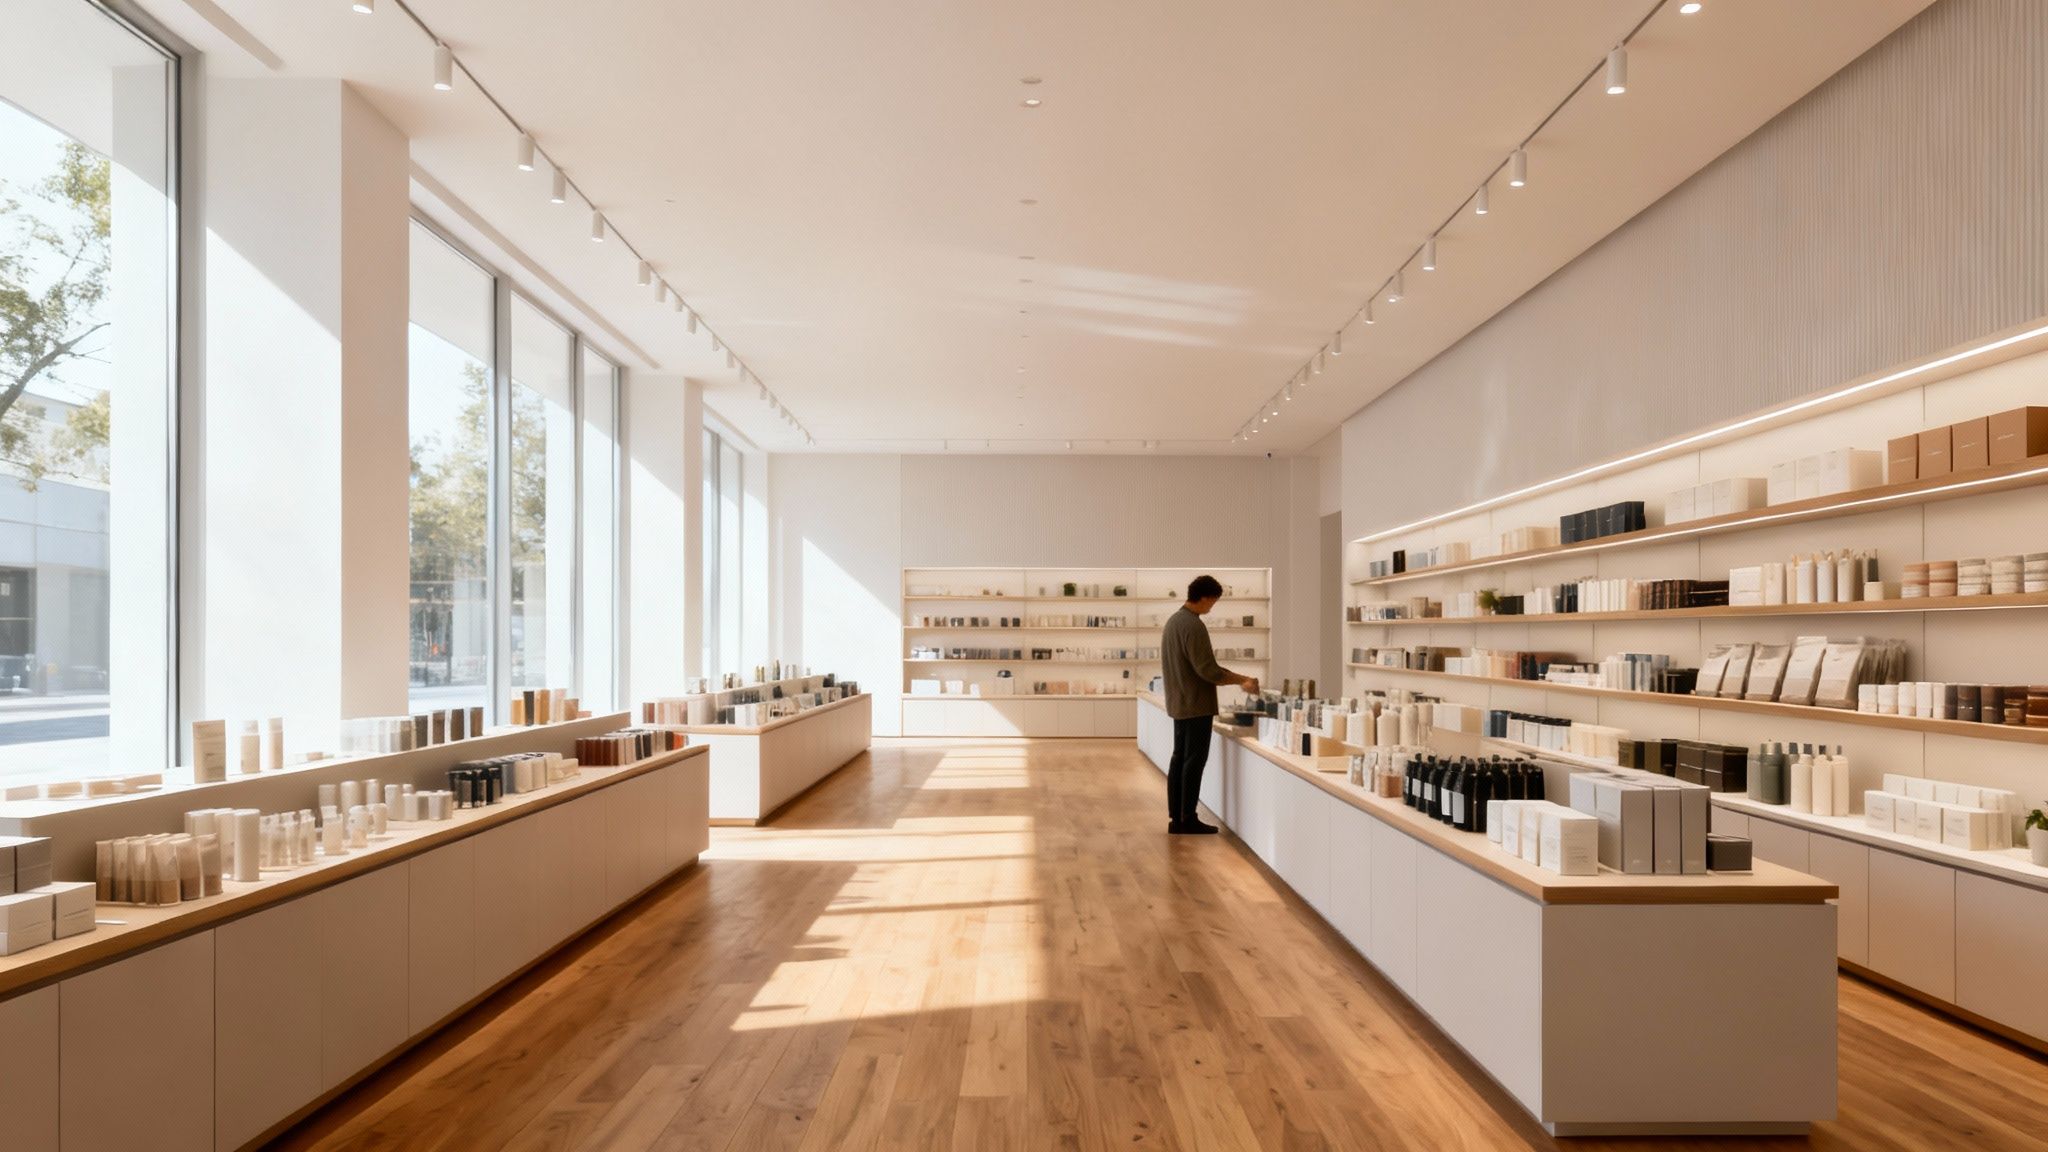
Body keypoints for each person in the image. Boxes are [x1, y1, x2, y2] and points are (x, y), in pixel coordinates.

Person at [1160, 575, 1259, 834]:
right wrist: (1243, 680)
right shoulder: (1193, 625)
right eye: (1213, 601)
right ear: (1204, 597)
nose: (1212, 607)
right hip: (1196, 706)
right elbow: (1208, 670)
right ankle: (1188, 818)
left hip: (1179, 703)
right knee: (1194, 761)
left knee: (1179, 759)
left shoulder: (1173, 622)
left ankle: (1177, 817)